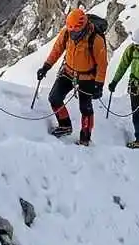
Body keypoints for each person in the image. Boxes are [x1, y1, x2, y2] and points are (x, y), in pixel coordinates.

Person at [36, 8, 106, 146]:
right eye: (72, 30)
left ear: (84, 26)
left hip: (87, 77)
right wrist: (46, 66)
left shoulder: (96, 39)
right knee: (54, 98)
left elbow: (102, 64)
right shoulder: (67, 33)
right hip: (68, 72)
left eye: (76, 31)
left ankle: (85, 137)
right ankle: (65, 125)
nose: (73, 34)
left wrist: (99, 84)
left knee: (85, 108)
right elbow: (57, 50)